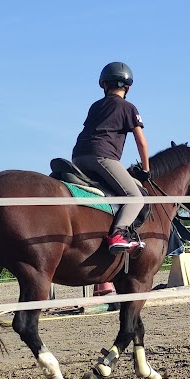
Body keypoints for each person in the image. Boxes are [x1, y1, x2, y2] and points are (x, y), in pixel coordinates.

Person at [72, 61, 151, 255]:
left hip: (78, 157)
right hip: (103, 157)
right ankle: (118, 233)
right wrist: (147, 170)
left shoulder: (95, 106)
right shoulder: (129, 108)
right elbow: (141, 143)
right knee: (135, 197)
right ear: (129, 88)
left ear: (104, 85)